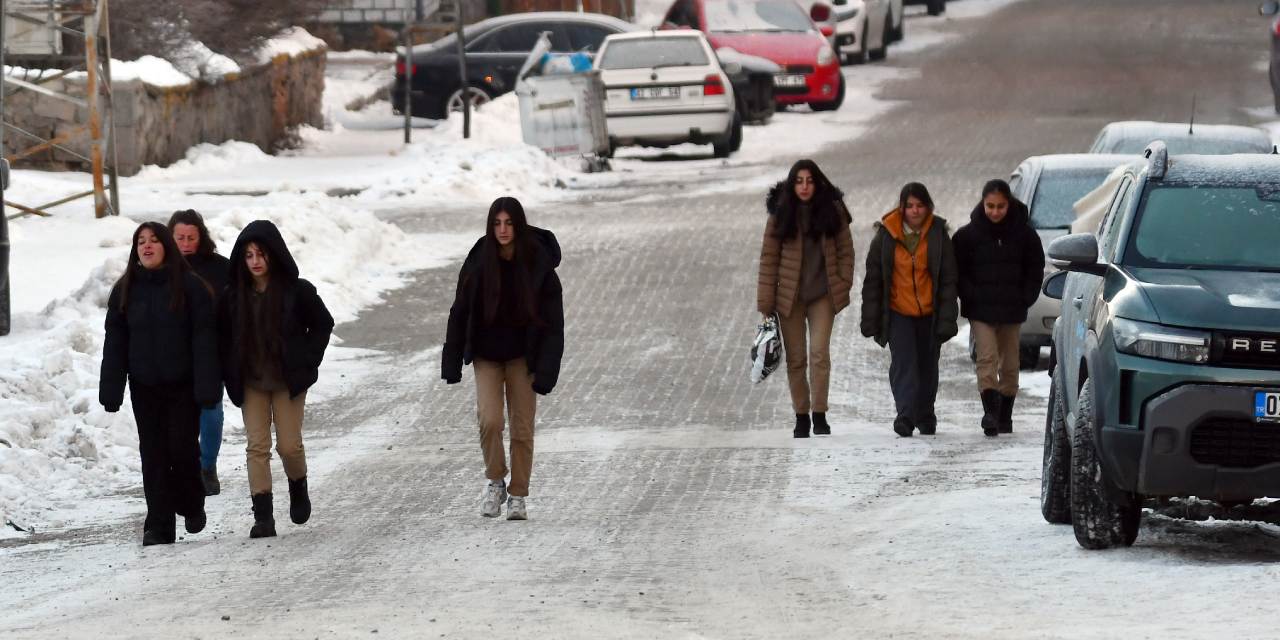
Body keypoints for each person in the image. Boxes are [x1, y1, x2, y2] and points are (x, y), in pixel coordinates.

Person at [443, 197, 564, 521]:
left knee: (522, 430)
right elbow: (460, 311)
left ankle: (518, 495)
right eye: (497, 223)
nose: (502, 230)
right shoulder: (480, 262)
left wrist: (547, 370)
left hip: (524, 358)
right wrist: (451, 360)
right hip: (487, 357)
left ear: (519, 225)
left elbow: (554, 325)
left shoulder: (538, 266)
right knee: (490, 420)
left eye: (509, 223)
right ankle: (495, 479)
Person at [100, 222, 219, 546]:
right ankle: (158, 525)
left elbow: (204, 340)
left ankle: (192, 502)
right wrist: (111, 388)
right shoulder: (125, 289)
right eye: (141, 241)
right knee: (152, 454)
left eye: (154, 240)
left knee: (181, 449)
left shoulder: (190, 287)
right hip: (145, 386)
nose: (147, 246)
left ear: (166, 245)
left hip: (183, 385)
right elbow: (116, 342)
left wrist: (208, 388)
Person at [219, 220, 334, 538]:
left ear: (275, 255)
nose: (255, 261)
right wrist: (229, 371)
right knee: (257, 446)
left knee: (289, 446)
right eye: (249, 255)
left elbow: (323, 324)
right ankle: (263, 516)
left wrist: (307, 361)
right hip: (252, 382)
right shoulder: (233, 296)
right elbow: (221, 337)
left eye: (261, 254)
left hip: (287, 382)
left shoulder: (297, 292)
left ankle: (298, 486)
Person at [757, 159, 855, 438]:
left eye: (809, 181)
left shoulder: (832, 212)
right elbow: (769, 259)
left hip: (823, 295)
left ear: (818, 182)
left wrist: (843, 282)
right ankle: (801, 416)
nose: (804, 187)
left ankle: (819, 414)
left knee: (819, 354)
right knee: (797, 358)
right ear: (792, 184)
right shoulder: (780, 213)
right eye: (799, 181)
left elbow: (847, 251)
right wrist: (766, 303)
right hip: (789, 298)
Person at [860, 183, 959, 437]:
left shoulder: (937, 234)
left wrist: (948, 316)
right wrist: (870, 318)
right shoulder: (886, 235)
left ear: (928, 207)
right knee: (905, 364)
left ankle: (926, 414)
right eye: (909, 206)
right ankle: (904, 414)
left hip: (930, 313)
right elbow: (874, 279)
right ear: (901, 208)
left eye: (920, 206)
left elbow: (948, 279)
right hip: (898, 312)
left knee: (927, 365)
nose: (915, 211)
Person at [952, 179, 1045, 437]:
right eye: (990, 206)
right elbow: (958, 271)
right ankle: (990, 413)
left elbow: (1035, 268)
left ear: (1009, 204)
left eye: (1000, 206)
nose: (994, 212)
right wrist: (969, 294)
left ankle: (1005, 415)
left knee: (1010, 362)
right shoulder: (967, 236)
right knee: (987, 357)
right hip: (980, 310)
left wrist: (1026, 296)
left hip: (1011, 309)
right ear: (982, 204)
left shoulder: (1025, 235)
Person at [168, 209, 231, 496]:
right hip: (172, 355)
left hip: (210, 353)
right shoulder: (160, 267)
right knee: (178, 416)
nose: (185, 243)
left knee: (211, 412)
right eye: (179, 237)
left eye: (191, 237)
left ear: (201, 237)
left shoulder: (220, 268)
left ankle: (207, 467)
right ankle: (183, 469)